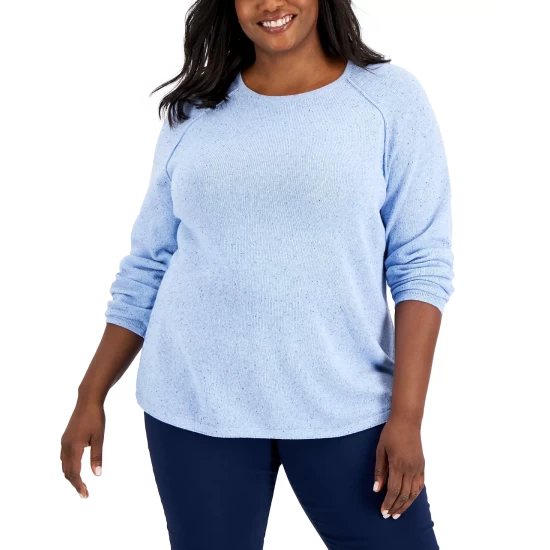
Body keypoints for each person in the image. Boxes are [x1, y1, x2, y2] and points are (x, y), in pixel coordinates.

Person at [61, 1, 454, 548]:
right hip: (195, 408)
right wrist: (90, 392)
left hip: (345, 407)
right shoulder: (194, 111)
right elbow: (150, 263)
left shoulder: (388, 99)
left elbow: (420, 263)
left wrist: (407, 417)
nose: (270, 4)